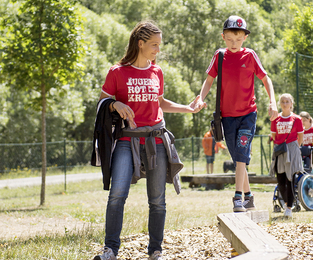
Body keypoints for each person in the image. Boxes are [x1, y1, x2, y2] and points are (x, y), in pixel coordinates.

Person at [93, 21, 203, 260]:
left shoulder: (157, 71)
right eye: (154, 45)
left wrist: (189, 108)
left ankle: (155, 251)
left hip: (156, 141)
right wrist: (115, 103)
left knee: (157, 200)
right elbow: (102, 102)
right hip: (126, 140)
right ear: (140, 43)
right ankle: (110, 249)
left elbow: (161, 103)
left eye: (159, 45)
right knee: (117, 195)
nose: (157, 50)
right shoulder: (117, 72)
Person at [194, 15, 278, 212]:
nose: (234, 43)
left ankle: (238, 198)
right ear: (223, 37)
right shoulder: (219, 56)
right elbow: (208, 81)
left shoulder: (250, 56)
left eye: (238, 39)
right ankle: (249, 196)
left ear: (245, 38)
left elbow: (266, 80)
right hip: (227, 116)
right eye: (230, 39)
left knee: (241, 155)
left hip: (248, 114)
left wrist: (272, 102)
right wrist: (200, 97)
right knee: (238, 158)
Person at [271, 93, 304, 218]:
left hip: (292, 148)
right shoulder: (275, 118)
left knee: (290, 179)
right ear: (280, 103)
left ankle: (289, 207)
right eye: (283, 101)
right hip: (280, 150)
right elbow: (274, 136)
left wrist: (295, 149)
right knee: (280, 180)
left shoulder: (297, 119)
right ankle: (286, 203)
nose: (285, 104)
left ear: (291, 104)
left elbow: (300, 136)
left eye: (287, 101)